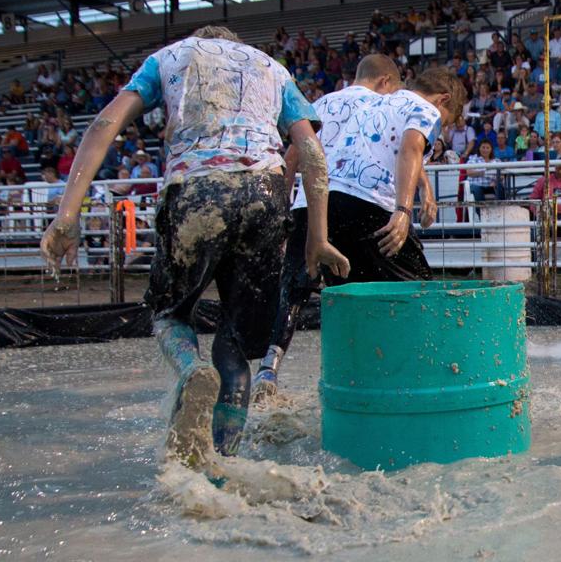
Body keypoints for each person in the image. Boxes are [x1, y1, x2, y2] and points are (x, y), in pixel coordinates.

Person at [39, 25, 347, 469]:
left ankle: (191, 370)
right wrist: (317, 238)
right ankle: (223, 461)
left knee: (169, 312)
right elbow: (313, 153)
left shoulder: (171, 56)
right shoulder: (272, 68)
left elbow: (104, 123)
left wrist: (68, 215)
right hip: (265, 192)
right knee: (237, 343)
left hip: (197, 190)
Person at [253, 54, 424, 401]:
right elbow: (409, 148)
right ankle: (410, 367)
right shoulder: (390, 103)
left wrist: (285, 212)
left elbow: (290, 160)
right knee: (411, 283)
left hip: (310, 205)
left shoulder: (319, 104)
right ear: (385, 81)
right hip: (366, 200)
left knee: (295, 287)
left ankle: (269, 366)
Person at [308, 66, 465, 282]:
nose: (442, 128)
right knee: (416, 288)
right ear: (443, 100)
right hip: (371, 202)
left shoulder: (376, 103)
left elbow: (392, 145)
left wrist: (425, 186)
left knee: (350, 289)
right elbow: (411, 148)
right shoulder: (427, 110)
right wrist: (403, 210)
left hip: (331, 201)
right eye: (446, 122)